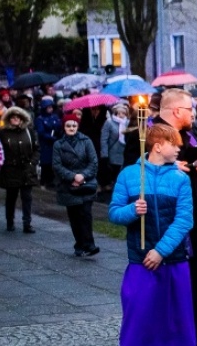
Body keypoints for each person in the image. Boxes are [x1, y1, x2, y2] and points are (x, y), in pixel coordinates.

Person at [124, 89, 197, 346]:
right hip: (161, 222)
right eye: (189, 110)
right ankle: (160, 337)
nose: (192, 114)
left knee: (194, 279)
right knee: (162, 280)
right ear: (177, 111)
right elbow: (132, 174)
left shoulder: (190, 136)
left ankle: (192, 333)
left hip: (193, 219)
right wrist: (164, 166)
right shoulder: (147, 136)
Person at [109, 124, 196, 346]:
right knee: (137, 307)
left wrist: (161, 251)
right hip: (140, 255)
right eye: (175, 144)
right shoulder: (128, 175)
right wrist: (133, 211)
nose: (179, 148)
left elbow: (184, 220)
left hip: (173, 256)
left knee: (178, 308)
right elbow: (113, 213)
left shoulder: (181, 178)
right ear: (158, 145)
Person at [53, 112, 100, 257]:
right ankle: (79, 243)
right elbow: (57, 165)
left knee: (86, 215)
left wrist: (82, 176)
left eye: (74, 125)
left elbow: (93, 162)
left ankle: (90, 245)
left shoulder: (86, 141)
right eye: (68, 125)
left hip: (85, 184)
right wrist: (72, 176)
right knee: (74, 217)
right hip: (69, 185)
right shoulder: (58, 145)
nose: (71, 128)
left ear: (77, 126)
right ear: (64, 127)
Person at [0, 107, 39, 233]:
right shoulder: (2, 133)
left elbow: (36, 149)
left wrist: (32, 163)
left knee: (27, 197)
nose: (15, 119)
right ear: (9, 119)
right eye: (12, 117)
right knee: (11, 197)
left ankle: (27, 223)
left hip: (27, 168)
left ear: (22, 118)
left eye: (18, 117)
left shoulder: (29, 131)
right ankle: (10, 221)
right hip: (10, 169)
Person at [100, 103, 128, 191]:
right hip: (112, 150)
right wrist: (104, 153)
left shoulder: (128, 122)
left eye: (123, 113)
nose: (121, 115)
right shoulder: (109, 122)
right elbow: (104, 138)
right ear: (115, 113)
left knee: (121, 171)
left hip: (123, 151)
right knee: (112, 169)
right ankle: (110, 185)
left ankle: (117, 186)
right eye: (119, 113)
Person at [35, 97, 61, 188]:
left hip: (54, 143)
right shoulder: (40, 119)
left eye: (51, 107)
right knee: (45, 163)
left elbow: (59, 125)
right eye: (48, 107)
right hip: (46, 144)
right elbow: (41, 132)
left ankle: (51, 180)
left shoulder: (54, 116)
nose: (50, 109)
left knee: (52, 163)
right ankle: (43, 180)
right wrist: (50, 137)